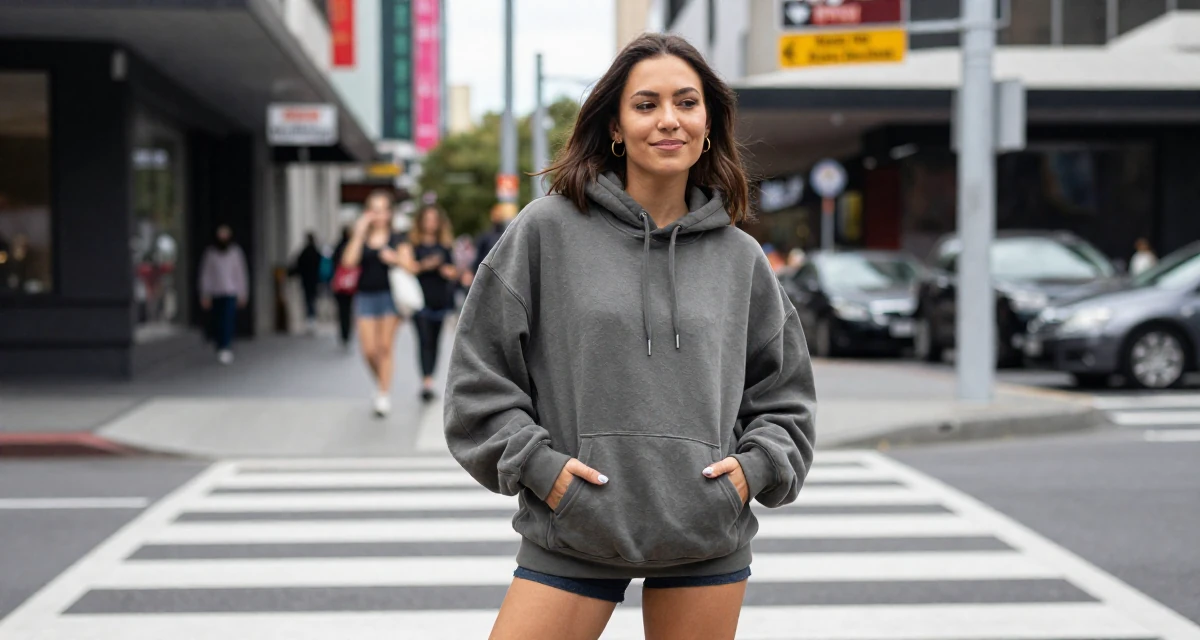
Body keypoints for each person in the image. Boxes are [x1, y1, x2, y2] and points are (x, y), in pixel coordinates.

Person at [444, 34, 816, 640]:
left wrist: (754, 470)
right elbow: (478, 379)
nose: (668, 120)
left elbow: (786, 398)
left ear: (708, 123)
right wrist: (541, 469)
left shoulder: (741, 258)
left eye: (686, 103)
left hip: (704, 534)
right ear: (615, 126)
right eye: (646, 104)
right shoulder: (546, 231)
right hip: (574, 529)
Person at [340, 191, 410, 417]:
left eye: (382, 209)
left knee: (384, 348)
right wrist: (359, 233)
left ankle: (383, 393)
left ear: (389, 213)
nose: (378, 215)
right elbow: (348, 262)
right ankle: (382, 384)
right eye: (373, 209)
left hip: (390, 296)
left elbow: (410, 265)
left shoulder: (398, 238)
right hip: (365, 296)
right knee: (368, 350)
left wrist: (395, 259)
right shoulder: (362, 235)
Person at [405, 205, 458, 402]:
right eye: (427, 219)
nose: (431, 223)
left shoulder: (445, 246)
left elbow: (454, 271)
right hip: (419, 301)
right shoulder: (413, 245)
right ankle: (426, 381)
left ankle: (430, 378)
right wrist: (426, 265)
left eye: (434, 219)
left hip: (440, 300)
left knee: (434, 341)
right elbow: (408, 268)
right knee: (423, 340)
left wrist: (446, 270)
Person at [198, 225, 249, 365]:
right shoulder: (211, 253)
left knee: (228, 319)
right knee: (218, 320)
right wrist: (205, 293)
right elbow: (206, 275)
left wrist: (242, 293)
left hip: (230, 292)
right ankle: (220, 345)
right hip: (215, 292)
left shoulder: (235, 252)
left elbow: (240, 274)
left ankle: (226, 346)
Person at [461, 203, 515, 288]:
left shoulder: (507, 235)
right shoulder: (485, 237)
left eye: (499, 214)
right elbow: (477, 257)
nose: (497, 216)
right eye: (495, 214)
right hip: (487, 274)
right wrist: (470, 271)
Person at [290, 231, 324, 334]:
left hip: (307, 280)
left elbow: (298, 265)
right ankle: (311, 319)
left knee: (308, 300)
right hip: (314, 280)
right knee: (312, 299)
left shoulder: (305, 252)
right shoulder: (316, 252)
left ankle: (310, 320)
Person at [330, 226, 356, 349]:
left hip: (340, 285)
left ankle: (344, 334)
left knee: (342, 311)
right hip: (349, 285)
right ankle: (346, 334)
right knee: (348, 310)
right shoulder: (352, 247)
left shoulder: (338, 247)